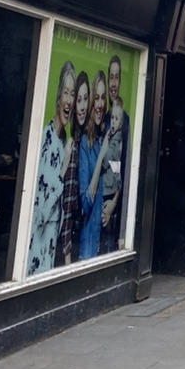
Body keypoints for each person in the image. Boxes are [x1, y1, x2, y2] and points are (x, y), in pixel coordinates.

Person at [27, 59, 75, 275]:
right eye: (66, 93)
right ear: (58, 98)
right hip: (38, 242)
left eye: (72, 94)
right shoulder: (46, 139)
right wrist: (64, 166)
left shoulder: (63, 141)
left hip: (50, 240)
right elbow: (42, 211)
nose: (69, 100)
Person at [58, 70, 90, 265]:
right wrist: (68, 259)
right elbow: (67, 204)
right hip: (65, 244)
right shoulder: (71, 142)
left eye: (85, 100)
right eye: (79, 100)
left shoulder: (87, 138)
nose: (82, 106)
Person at [78, 70, 108, 260]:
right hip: (88, 248)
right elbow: (86, 203)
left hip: (105, 243)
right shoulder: (85, 143)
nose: (99, 104)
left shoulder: (104, 138)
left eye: (103, 98)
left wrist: (113, 203)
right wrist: (101, 157)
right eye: (96, 98)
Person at [101, 96, 125, 253]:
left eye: (117, 119)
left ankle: (108, 250)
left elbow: (106, 161)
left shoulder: (115, 141)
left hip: (108, 189)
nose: (114, 122)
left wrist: (105, 143)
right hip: (112, 186)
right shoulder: (116, 138)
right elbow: (116, 167)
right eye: (112, 118)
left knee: (106, 224)